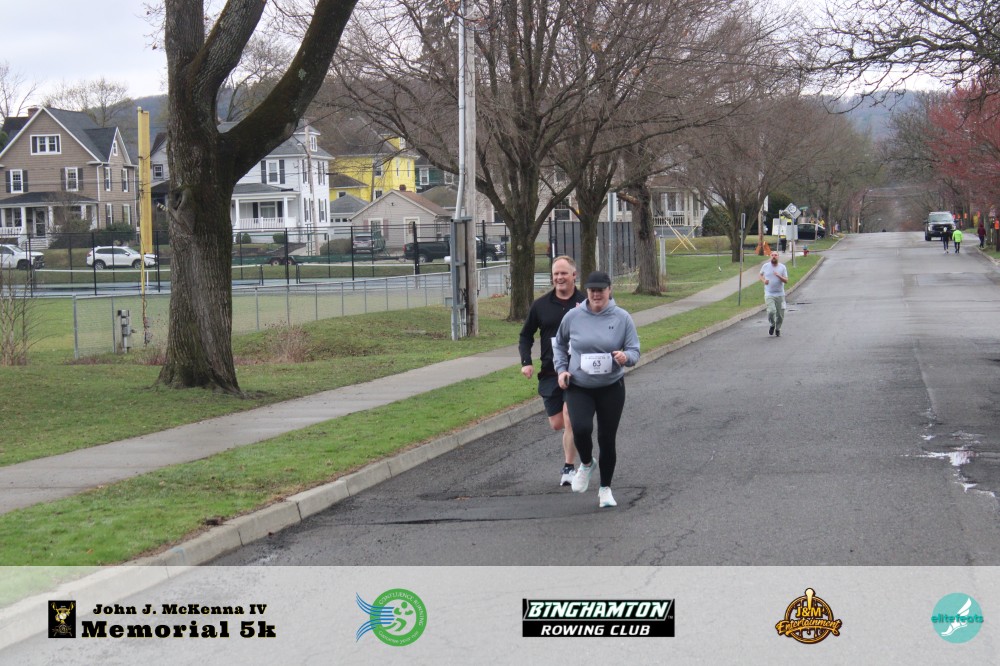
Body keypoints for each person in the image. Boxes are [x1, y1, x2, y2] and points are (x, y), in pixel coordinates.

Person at [553, 271, 640, 508]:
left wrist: (625, 357)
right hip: (579, 385)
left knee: (606, 438)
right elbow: (559, 344)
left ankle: (605, 489)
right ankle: (586, 463)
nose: (596, 294)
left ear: (609, 290)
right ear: (587, 291)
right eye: (592, 290)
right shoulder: (573, 316)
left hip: (611, 387)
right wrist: (561, 370)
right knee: (581, 429)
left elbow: (634, 350)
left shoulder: (622, 318)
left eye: (601, 290)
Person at [519, 255, 586, 486]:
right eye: (556, 274)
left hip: (577, 372)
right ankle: (580, 436)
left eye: (564, 273)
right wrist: (526, 361)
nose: (559, 277)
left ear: (574, 275)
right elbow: (525, 335)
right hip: (549, 372)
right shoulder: (541, 305)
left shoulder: (585, 303)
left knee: (570, 418)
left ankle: (569, 467)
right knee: (557, 423)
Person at [759, 251, 788, 337]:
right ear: (770, 256)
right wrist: (764, 281)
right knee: (771, 311)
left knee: (780, 314)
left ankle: (778, 328)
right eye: (772, 255)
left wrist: (779, 276)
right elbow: (760, 275)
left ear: (778, 257)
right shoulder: (765, 266)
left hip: (780, 294)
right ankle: (772, 324)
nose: (774, 256)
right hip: (769, 293)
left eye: (775, 255)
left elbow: (786, 280)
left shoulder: (782, 267)